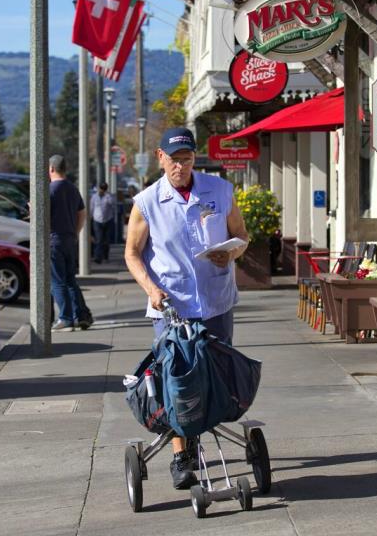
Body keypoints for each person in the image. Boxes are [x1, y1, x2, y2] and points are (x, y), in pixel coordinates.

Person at [124, 127, 249, 489]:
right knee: (177, 382)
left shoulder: (220, 190)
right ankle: (182, 456)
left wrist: (233, 251)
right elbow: (132, 254)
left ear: (195, 158)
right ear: (160, 157)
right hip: (171, 306)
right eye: (174, 159)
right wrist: (150, 289)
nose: (180, 165)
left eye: (187, 158)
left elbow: (241, 234)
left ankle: (207, 432)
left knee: (219, 375)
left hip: (216, 300)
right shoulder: (147, 202)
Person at [49, 154, 91, 331]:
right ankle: (82, 315)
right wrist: (75, 232)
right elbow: (82, 212)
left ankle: (65, 318)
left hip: (54, 239)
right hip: (69, 238)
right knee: (70, 279)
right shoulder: (72, 188)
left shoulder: (50, 190)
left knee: (57, 281)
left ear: (51, 169)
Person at [90, 182, 114, 264]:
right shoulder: (94, 197)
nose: (102, 190)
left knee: (106, 240)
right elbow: (91, 208)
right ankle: (98, 257)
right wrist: (90, 218)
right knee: (99, 239)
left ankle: (105, 256)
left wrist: (107, 195)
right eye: (101, 188)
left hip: (108, 220)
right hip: (97, 220)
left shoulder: (108, 196)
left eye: (104, 189)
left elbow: (112, 204)